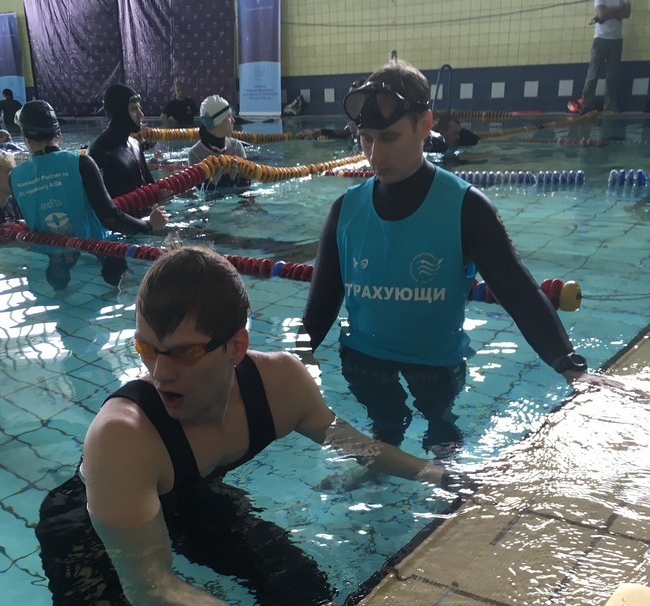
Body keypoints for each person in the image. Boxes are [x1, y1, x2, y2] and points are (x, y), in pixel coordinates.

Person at [0, 246, 450, 606]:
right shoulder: (123, 435)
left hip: (187, 496)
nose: (160, 373)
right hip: (91, 526)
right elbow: (151, 586)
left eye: (185, 352)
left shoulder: (281, 383)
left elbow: (351, 443)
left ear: (236, 347)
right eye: (146, 349)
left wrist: (437, 474)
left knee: (309, 600)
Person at [302, 59, 596, 451]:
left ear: (425, 126)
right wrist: (296, 359)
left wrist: (570, 367)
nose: (374, 154)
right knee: (384, 430)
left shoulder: (466, 208)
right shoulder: (345, 212)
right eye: (366, 137)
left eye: (388, 137)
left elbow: (519, 294)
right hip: (363, 360)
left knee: (441, 432)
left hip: (435, 365)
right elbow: (321, 303)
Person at [9, 100, 167, 287]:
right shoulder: (81, 163)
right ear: (58, 134)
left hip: (47, 271)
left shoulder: (15, 177)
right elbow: (110, 218)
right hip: (98, 263)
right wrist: (149, 225)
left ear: (26, 138)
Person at [88, 83, 160, 199]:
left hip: (145, 215)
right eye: (133, 109)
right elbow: (100, 209)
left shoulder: (135, 145)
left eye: (139, 108)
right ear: (119, 113)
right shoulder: (98, 152)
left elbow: (151, 186)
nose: (141, 115)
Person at [188, 95, 250, 190]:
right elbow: (201, 198)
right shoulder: (196, 154)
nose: (233, 120)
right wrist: (213, 182)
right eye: (229, 116)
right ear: (217, 123)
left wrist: (235, 178)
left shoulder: (236, 147)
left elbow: (246, 192)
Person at [579, 0, 631, 114]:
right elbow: (601, 13)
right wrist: (618, 9)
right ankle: (586, 105)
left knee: (612, 76)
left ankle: (610, 107)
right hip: (601, 38)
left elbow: (627, 13)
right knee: (593, 74)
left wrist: (606, 14)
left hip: (617, 39)